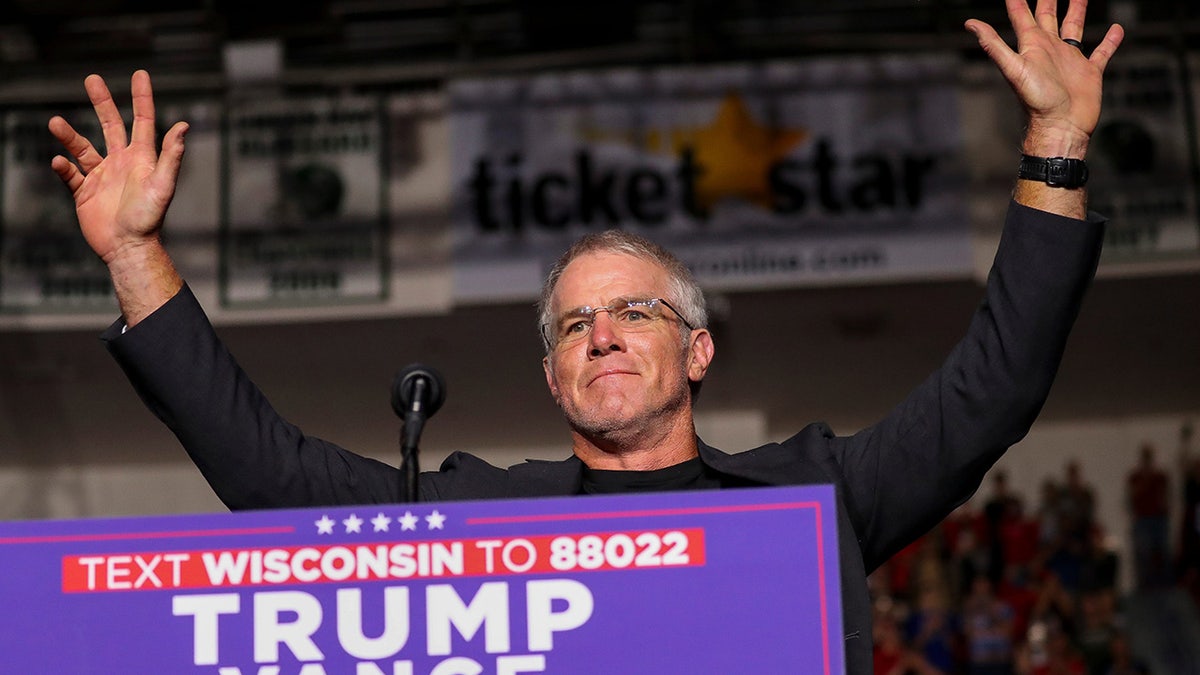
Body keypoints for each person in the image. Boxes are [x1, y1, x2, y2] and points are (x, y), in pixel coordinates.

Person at [46, 1, 1123, 672]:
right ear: (555, 379)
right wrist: (137, 254)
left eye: (635, 310)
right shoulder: (465, 518)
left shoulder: (808, 507)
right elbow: (266, 475)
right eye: (574, 325)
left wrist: (1058, 143)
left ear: (699, 352)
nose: (601, 333)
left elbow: (996, 384)